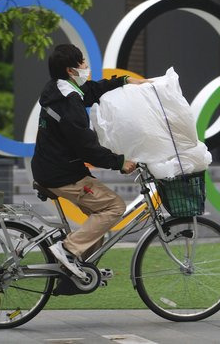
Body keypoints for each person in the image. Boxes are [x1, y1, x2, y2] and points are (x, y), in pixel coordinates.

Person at [31, 43, 149, 279]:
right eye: (82, 62)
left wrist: (123, 81)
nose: (86, 66)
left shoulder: (61, 90)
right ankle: (67, 249)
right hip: (62, 174)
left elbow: (92, 91)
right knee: (114, 206)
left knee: (98, 228)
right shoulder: (68, 100)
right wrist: (119, 162)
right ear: (70, 70)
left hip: (54, 168)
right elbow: (86, 147)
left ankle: (73, 276)